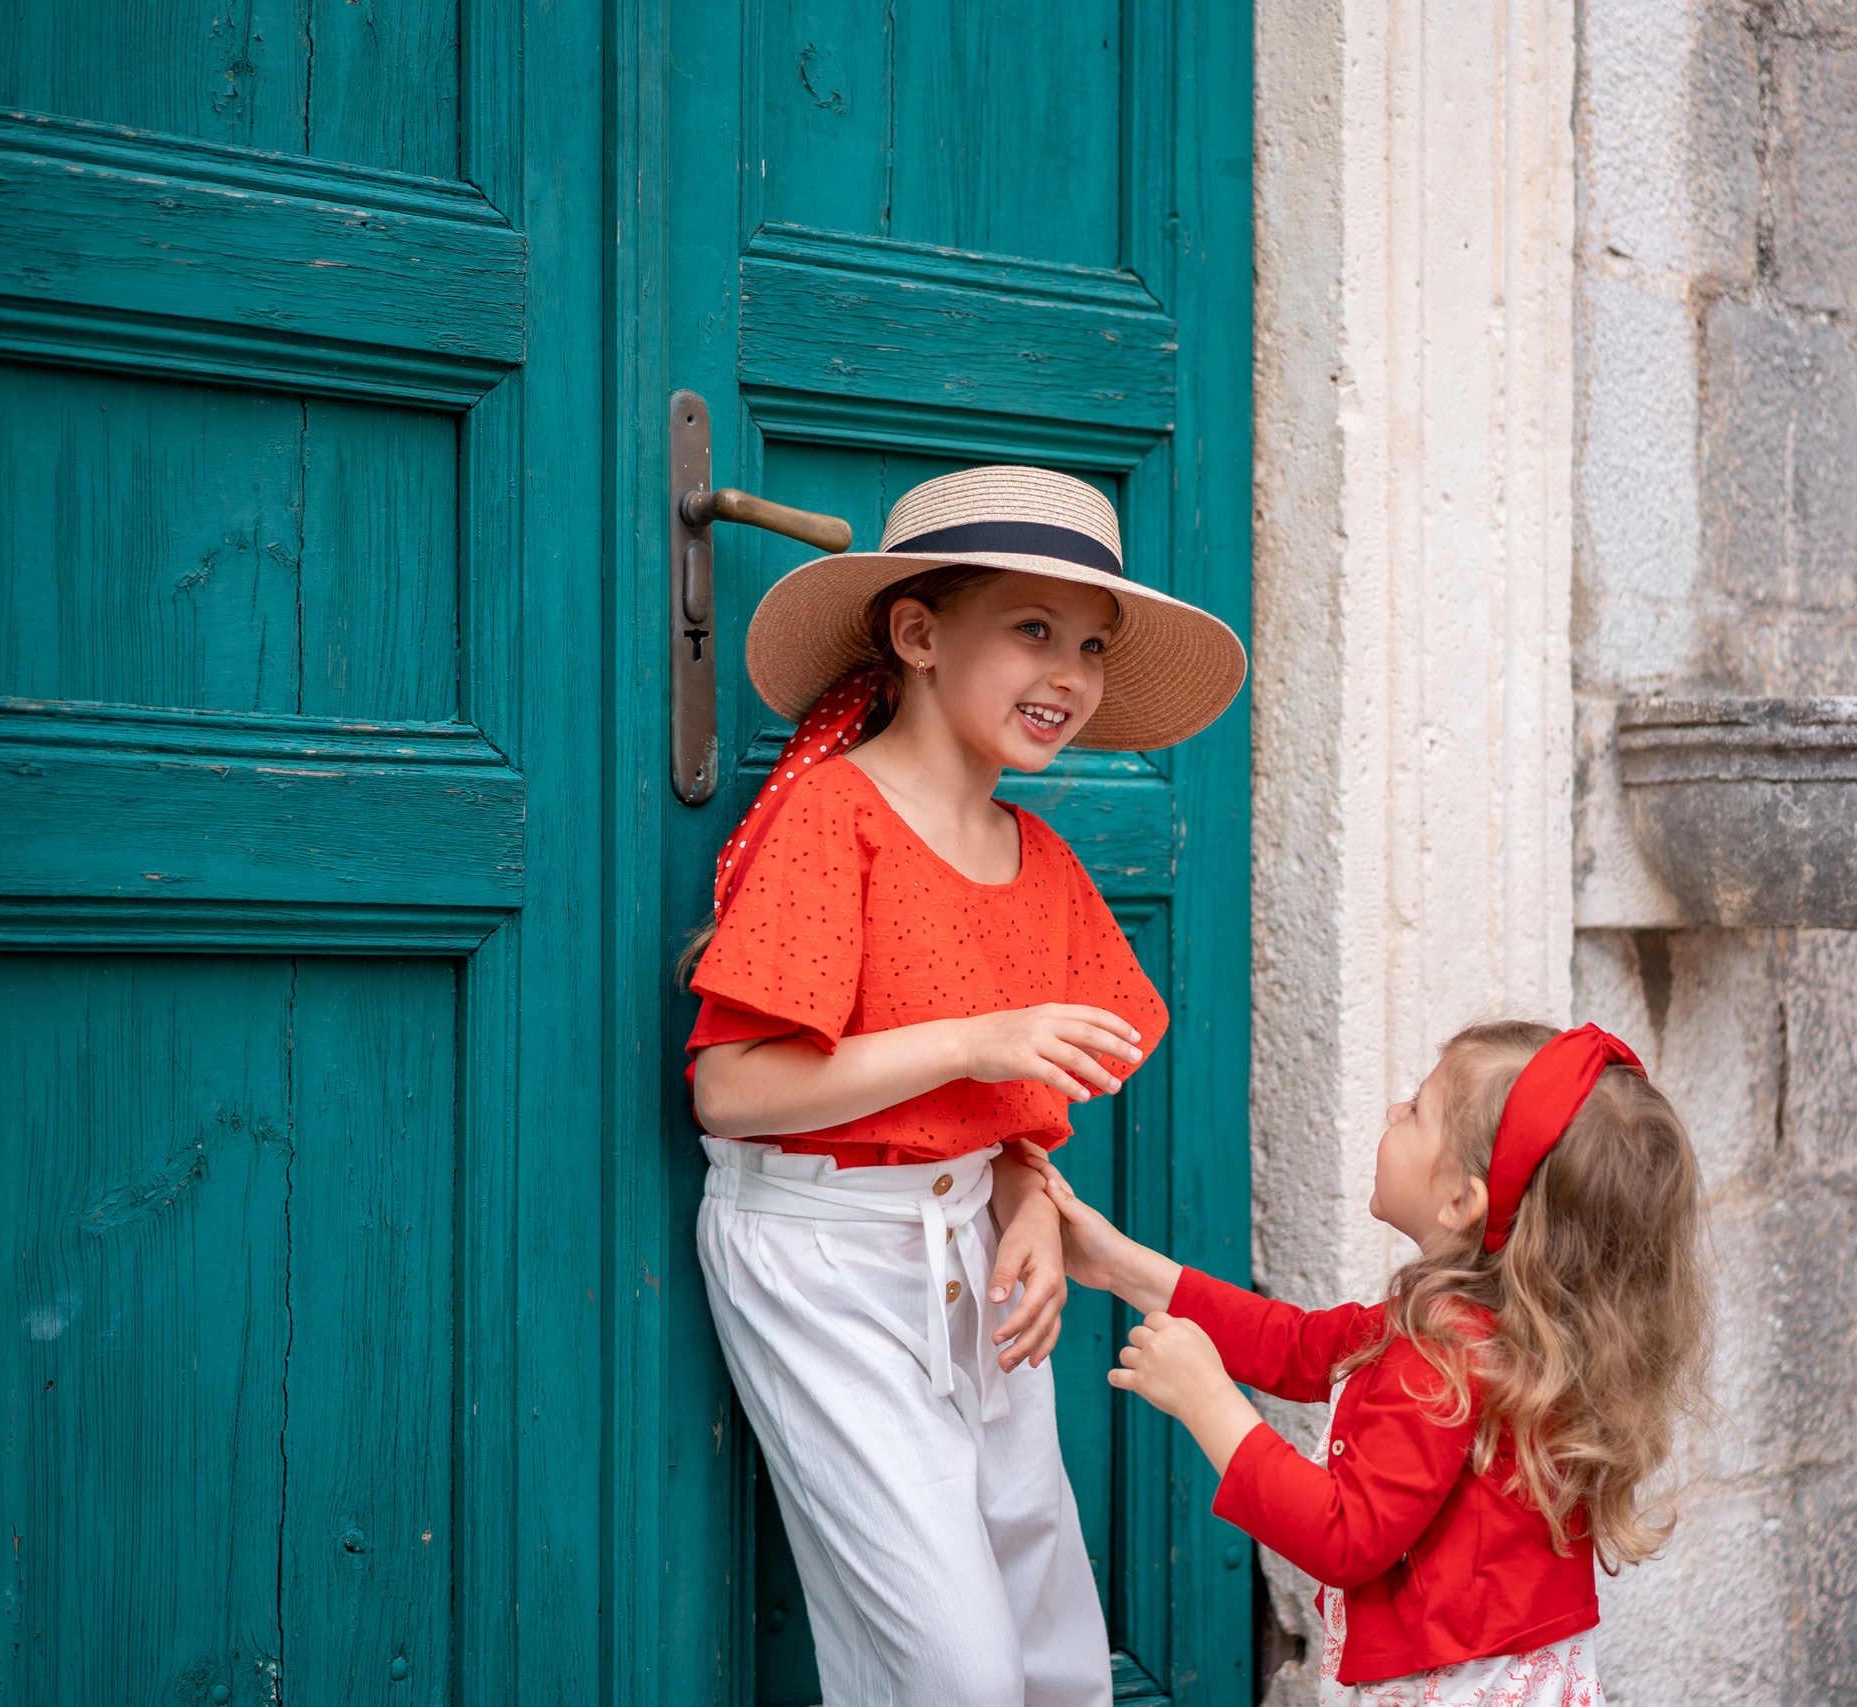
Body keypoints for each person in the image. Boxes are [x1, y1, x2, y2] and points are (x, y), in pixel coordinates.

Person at [685, 464, 1248, 1707]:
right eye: (1033, 629)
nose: (1070, 673)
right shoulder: (836, 816)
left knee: (1052, 1650)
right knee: (958, 1672)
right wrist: (970, 1039)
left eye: (1091, 644)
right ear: (918, 634)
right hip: (825, 1263)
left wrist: (1029, 1202)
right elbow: (730, 1089)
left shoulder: (1036, 858)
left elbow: (1009, 1114)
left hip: (978, 1262)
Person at [1034, 1021, 1711, 1706]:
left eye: (1416, 1109)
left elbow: (1344, 1535)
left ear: (1461, 1199)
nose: (1392, 1111)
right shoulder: (1503, 1325)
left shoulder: (1445, 1354)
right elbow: (1297, 1345)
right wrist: (1119, 1265)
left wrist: (1208, 1401)